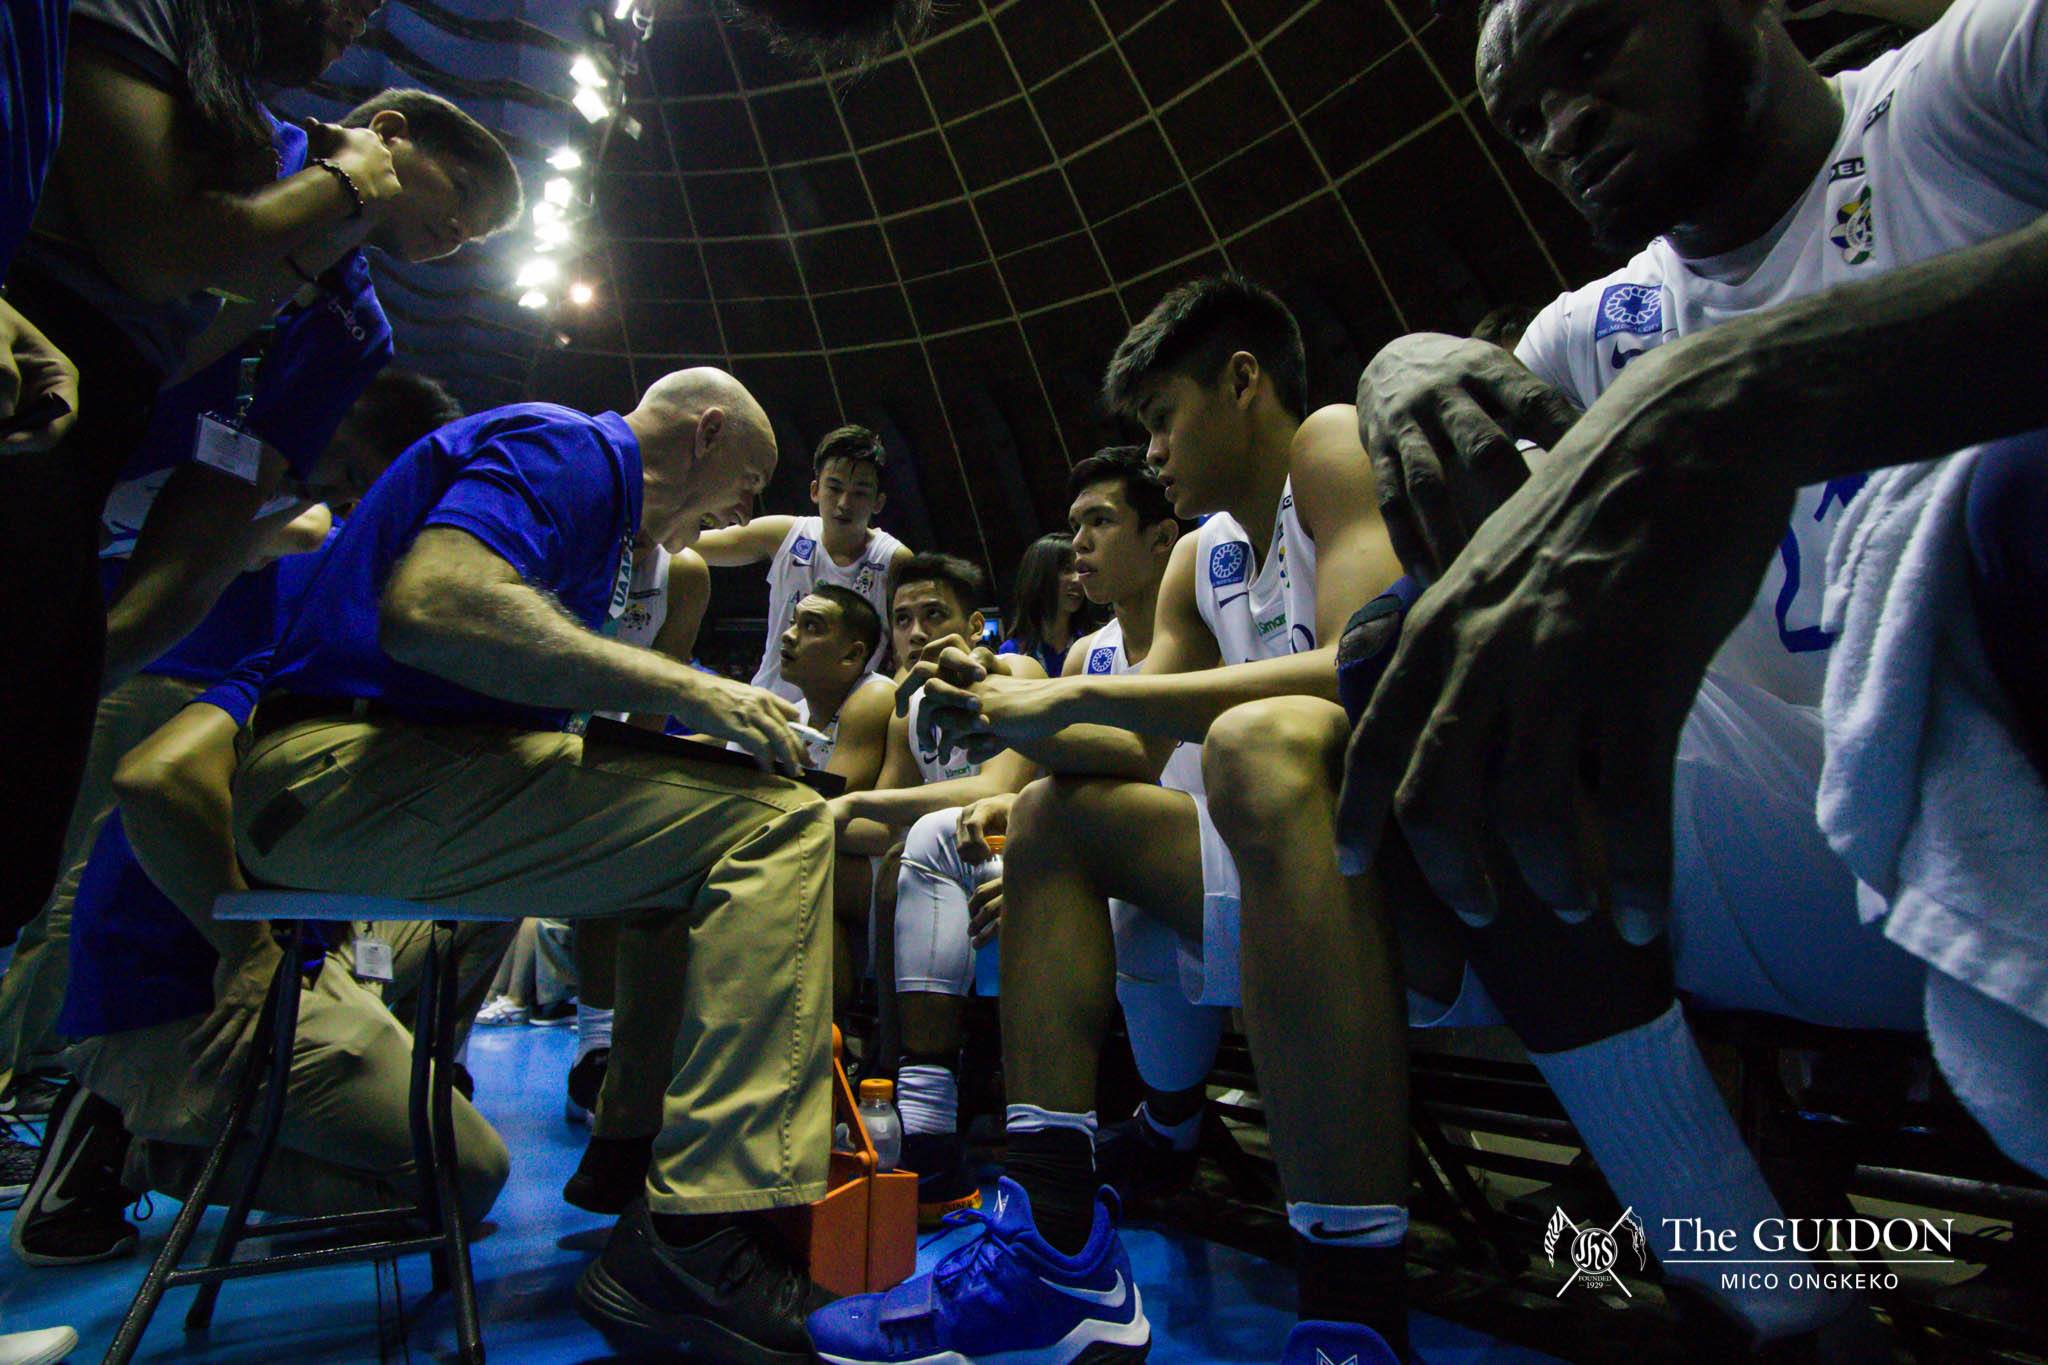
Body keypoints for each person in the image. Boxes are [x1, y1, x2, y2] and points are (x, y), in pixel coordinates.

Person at [1339, 0, 2048, 1349]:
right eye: (1525, 120)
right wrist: (1395, 363)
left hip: (2010, 761)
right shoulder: (1585, 339)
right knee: (1415, 653)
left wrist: (1751, 385)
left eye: (1590, 51)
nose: (1561, 129)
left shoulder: (1968, 84)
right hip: (1819, 839)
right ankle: (1764, 1296)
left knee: (2022, 496)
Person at [182, 366, 835, 1363]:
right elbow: (436, 607)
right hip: (350, 771)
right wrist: (690, 694)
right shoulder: (567, 448)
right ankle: (703, 1231)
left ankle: (628, 1161)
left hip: (371, 779)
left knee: (687, 865)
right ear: (703, 433)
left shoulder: (596, 510)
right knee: (783, 825)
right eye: (746, 481)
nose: (741, 510)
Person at [811, 276, 1409, 1365]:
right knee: (1052, 812)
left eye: (1163, 421)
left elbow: (1355, 673)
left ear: (1241, 385)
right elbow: (1129, 750)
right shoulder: (1198, 554)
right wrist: (1001, 709)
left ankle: (1353, 1312)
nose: (1157, 453)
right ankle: (1055, 1240)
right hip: (1281, 860)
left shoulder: (1328, 446)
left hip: (1402, 857)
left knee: (1262, 743)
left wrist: (1073, 694)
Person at [0, 0, 410, 945]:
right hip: (45, 455)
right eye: (459, 210)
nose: (364, 14)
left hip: (70, 430)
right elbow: (157, 249)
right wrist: (345, 186)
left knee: (24, 860)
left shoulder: (323, 279)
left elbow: (173, 340)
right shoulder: (143, 24)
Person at [12, 531, 517, 1268]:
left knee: (486, 910)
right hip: (187, 996)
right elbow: (150, 781)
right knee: (468, 1180)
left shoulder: (355, 670)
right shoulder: (310, 679)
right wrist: (248, 954)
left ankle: (368, 1094)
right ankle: (144, 1144)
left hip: (304, 949)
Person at [98, 88, 519, 693]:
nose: (457, 230)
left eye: (473, 236)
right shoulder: (228, 134)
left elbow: (213, 535)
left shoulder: (357, 335)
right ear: (389, 131)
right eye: (463, 191)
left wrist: (96, 666)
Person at [692, 423, 910, 702]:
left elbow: (906, 654)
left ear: (878, 502)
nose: (844, 503)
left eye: (859, 492)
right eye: (834, 487)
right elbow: (687, 543)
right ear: (815, 490)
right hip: (768, 707)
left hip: (847, 724)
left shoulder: (894, 560)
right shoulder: (783, 535)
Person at [998, 532, 1095, 678]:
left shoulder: (1096, 645)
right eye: (1067, 570)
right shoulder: (1011, 652)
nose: (1077, 579)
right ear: (1040, 577)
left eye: (1080, 570)